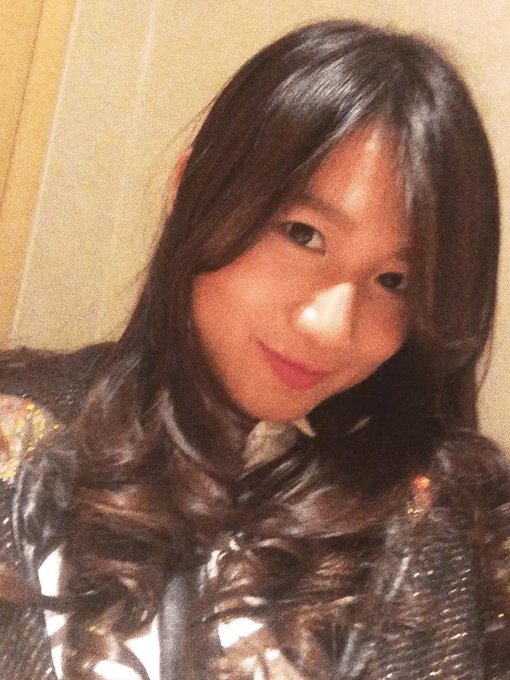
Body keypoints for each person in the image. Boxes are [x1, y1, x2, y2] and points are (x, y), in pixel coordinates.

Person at [0, 17, 507, 680]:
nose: (330, 327)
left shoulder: (450, 527)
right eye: (303, 234)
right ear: (190, 190)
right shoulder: (20, 443)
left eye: (394, 281)